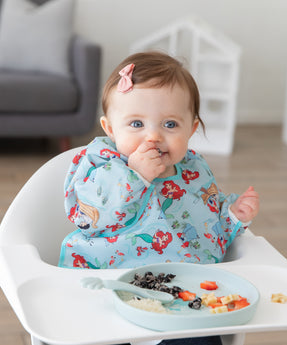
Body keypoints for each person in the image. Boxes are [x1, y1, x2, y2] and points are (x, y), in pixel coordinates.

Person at [58, 51, 259, 344]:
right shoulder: (101, 163)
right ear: (110, 129)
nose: (152, 137)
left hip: (180, 292)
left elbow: (206, 223)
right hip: (107, 283)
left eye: (170, 125)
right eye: (137, 124)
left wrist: (232, 217)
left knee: (202, 337)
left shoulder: (193, 170)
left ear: (191, 129)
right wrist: (134, 176)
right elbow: (89, 214)